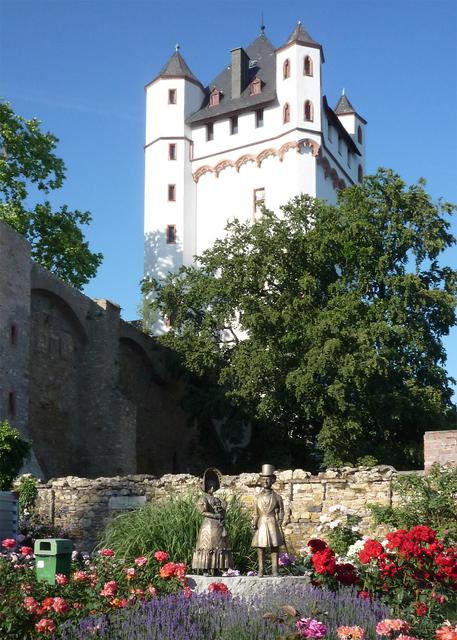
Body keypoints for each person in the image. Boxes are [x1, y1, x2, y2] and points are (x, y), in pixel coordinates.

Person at [192, 467, 233, 574]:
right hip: (208, 525)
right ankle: (205, 568)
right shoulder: (203, 499)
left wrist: (222, 513)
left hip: (218, 527)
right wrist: (216, 516)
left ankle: (216, 568)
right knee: (206, 546)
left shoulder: (218, 500)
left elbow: (223, 512)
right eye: (210, 486)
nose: (211, 488)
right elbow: (202, 512)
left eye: (213, 486)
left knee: (218, 546)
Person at [251, 464, 285, 577]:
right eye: (263, 479)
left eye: (268, 479)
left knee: (274, 547)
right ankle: (261, 569)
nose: (266, 481)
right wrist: (254, 523)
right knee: (261, 547)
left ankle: (275, 570)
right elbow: (255, 513)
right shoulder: (257, 497)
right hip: (261, 524)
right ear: (260, 480)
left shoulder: (277, 497)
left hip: (272, 523)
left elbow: (281, 510)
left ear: (273, 480)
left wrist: (280, 520)